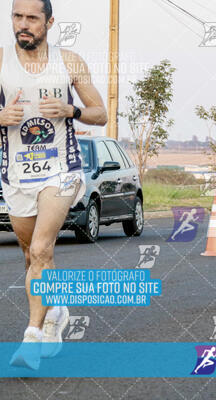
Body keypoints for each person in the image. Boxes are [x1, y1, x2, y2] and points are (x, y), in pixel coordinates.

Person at [1, 0, 107, 369]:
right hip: (16, 174)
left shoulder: (69, 61)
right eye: (17, 16)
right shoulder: (1, 60)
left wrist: (71, 110)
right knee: (31, 255)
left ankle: (31, 337)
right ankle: (56, 307)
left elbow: (101, 114)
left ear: (49, 21)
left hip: (61, 171)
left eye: (32, 17)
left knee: (44, 248)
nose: (23, 24)